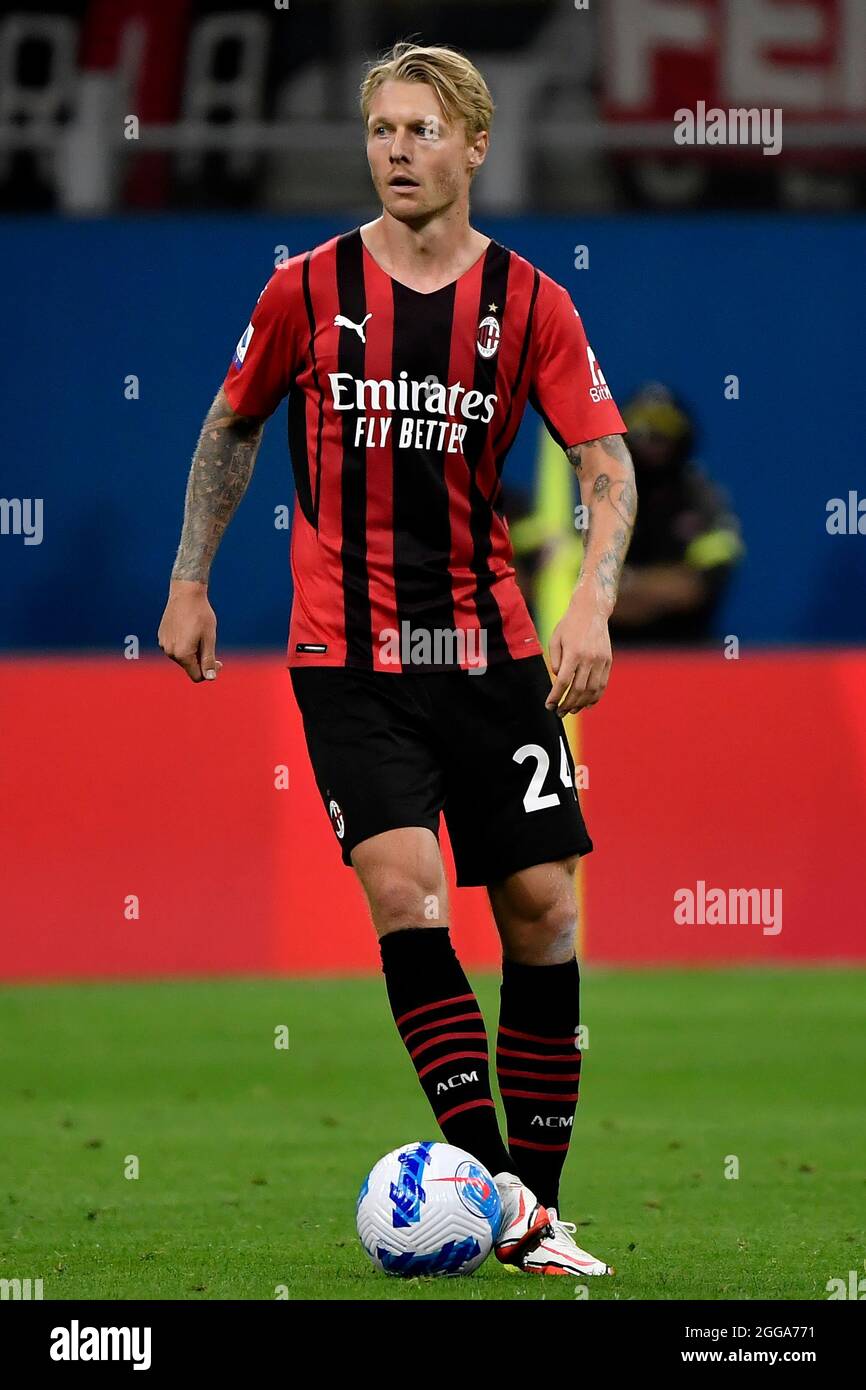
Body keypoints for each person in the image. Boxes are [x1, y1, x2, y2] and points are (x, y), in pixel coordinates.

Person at [157, 40, 636, 1277]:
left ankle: (528, 1196)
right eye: (380, 130)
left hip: (490, 653)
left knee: (540, 909)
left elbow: (605, 461)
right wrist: (190, 578)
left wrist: (590, 599)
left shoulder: (530, 303)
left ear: (475, 146)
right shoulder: (303, 292)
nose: (396, 150)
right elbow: (232, 423)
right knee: (406, 896)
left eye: (422, 130)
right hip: (349, 657)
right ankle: (509, 1214)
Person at [609, 383, 743, 644]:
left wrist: (621, 586)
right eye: (640, 432)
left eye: (662, 431)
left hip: (686, 656)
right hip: (606, 658)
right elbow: (569, 587)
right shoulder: (596, 497)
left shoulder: (702, 498)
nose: (651, 441)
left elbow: (695, 588)